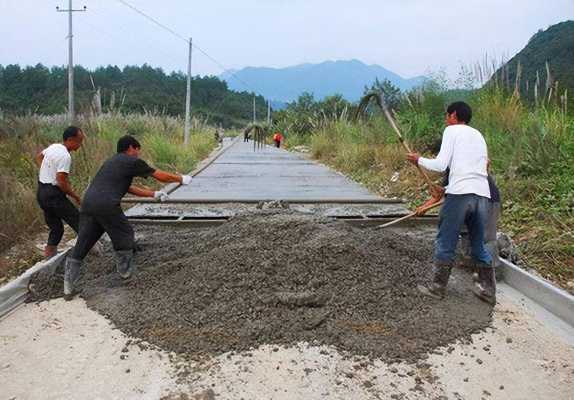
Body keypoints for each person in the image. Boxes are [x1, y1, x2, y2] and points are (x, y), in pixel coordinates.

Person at [63, 135, 193, 300]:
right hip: (107, 205)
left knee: (84, 242)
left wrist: (153, 194)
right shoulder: (131, 161)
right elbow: (160, 175)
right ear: (132, 147)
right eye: (138, 151)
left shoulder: (111, 162)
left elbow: (127, 187)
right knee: (125, 235)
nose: (138, 155)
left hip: (88, 204)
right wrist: (181, 179)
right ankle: (127, 277)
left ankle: (68, 288)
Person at [406, 101, 496, 305]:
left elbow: (440, 165)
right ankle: (488, 291)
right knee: (477, 245)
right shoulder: (478, 135)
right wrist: (445, 189)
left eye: (447, 116)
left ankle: (437, 288)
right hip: (482, 195)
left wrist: (418, 160)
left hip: (460, 196)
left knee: (446, 241)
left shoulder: (452, 131)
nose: (446, 120)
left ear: (453, 115)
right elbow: (472, 169)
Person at [35, 126, 84, 258]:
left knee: (56, 228)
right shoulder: (65, 156)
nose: (80, 144)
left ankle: (49, 257)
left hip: (41, 193)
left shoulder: (54, 147)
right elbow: (61, 181)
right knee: (78, 222)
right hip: (53, 195)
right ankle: (92, 252)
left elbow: (39, 157)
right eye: (79, 141)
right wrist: (75, 196)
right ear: (70, 140)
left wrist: (46, 171)